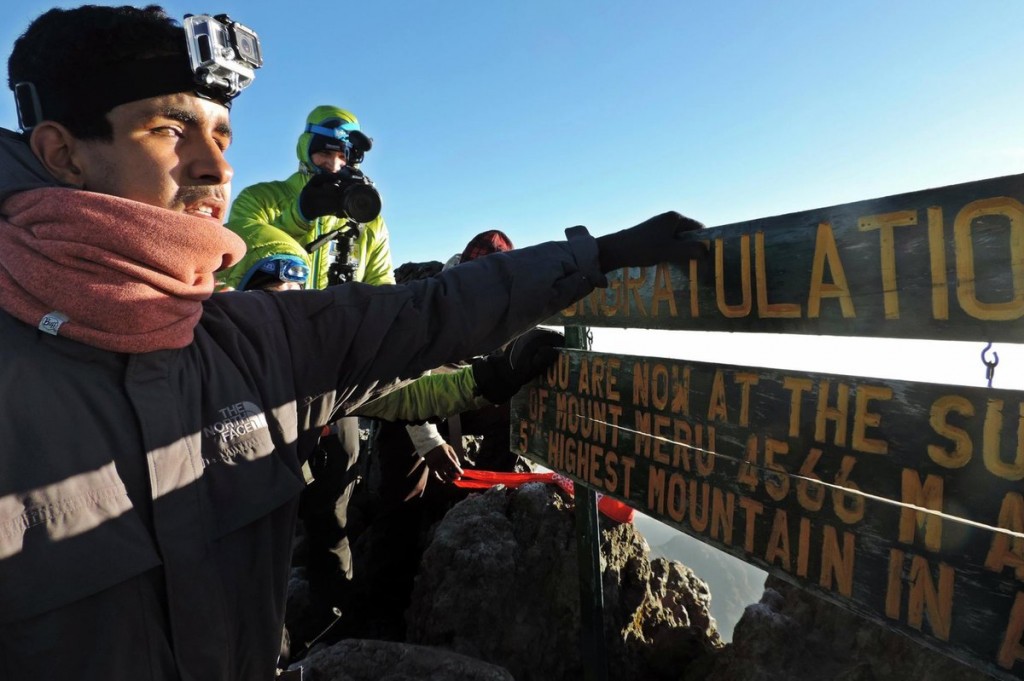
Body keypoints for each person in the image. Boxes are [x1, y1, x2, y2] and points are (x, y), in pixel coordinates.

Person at [0, 5, 707, 680]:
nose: (214, 167)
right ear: (63, 153)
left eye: (222, 136)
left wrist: (593, 260)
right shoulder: (256, 285)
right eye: (168, 130)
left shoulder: (255, 344)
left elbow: (415, 316)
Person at [222, 104, 477, 623]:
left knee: (332, 506)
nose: (333, 162)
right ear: (304, 147)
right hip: (263, 381)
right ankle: (251, 631)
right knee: (249, 515)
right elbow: (241, 253)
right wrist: (302, 216)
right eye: (323, 149)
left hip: (338, 388)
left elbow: (382, 302)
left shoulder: (368, 219)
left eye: (343, 153)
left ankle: (327, 617)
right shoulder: (264, 199)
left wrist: (422, 427)